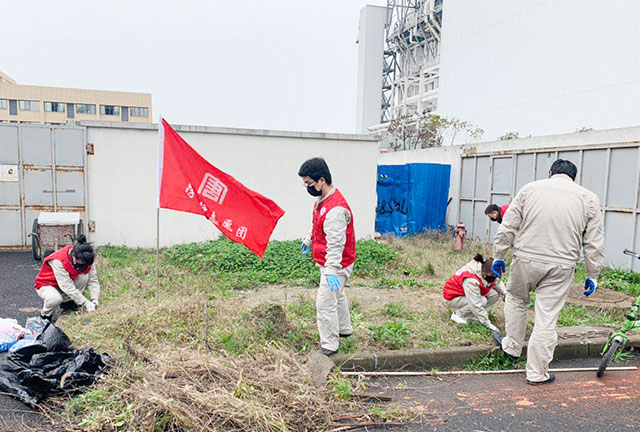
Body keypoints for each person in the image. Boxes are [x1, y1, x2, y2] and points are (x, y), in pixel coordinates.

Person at [491, 159, 605, 385]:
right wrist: (593, 274)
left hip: (526, 258)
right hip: (562, 265)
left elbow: (509, 226)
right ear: (574, 178)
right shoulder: (589, 198)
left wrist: (499, 255)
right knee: (547, 317)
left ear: (551, 173)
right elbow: (594, 241)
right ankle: (536, 373)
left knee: (515, 299)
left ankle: (512, 347)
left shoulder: (530, 189)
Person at [299, 158, 355, 357]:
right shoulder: (323, 200)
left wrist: (332, 270)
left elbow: (336, 244)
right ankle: (345, 328)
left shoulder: (336, 210)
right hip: (328, 261)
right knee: (337, 295)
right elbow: (318, 226)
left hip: (337, 263)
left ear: (321, 180)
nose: (308, 187)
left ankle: (330, 345)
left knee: (324, 303)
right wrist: (309, 240)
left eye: (309, 183)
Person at [33, 235, 101, 321]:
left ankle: (67, 303)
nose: (83, 266)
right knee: (55, 299)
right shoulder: (58, 260)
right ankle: (45, 316)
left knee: (84, 276)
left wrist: (94, 299)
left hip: (65, 282)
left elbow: (93, 281)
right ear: (73, 256)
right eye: (80, 263)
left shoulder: (87, 259)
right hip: (47, 284)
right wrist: (85, 302)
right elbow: (66, 286)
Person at [443, 254, 506, 332]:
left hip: (465, 293)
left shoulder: (484, 268)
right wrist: (487, 324)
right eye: (493, 275)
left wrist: (505, 292)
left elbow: (496, 281)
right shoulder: (470, 280)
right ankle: (458, 315)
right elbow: (475, 304)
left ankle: (474, 315)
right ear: (484, 275)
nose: (494, 277)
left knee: (494, 294)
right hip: (453, 297)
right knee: (482, 301)